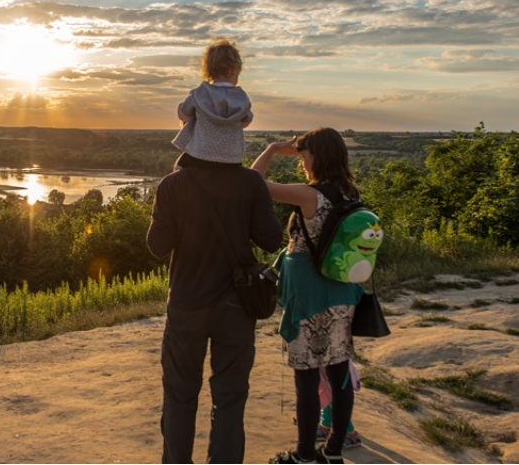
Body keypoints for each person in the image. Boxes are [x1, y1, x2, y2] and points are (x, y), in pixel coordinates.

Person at [147, 139, 283, 463]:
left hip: (187, 303)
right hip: (236, 305)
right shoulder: (250, 182)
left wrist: (172, 200)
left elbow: (157, 245)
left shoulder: (173, 184)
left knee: (179, 395)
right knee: (230, 398)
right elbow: (271, 238)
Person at [250, 128, 365, 465]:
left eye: (304, 154)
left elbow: (253, 185)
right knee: (338, 372)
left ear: (319, 156)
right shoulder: (348, 192)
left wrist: (271, 149)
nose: (301, 161)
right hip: (343, 294)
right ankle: (333, 452)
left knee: (306, 373)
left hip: (311, 299)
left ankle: (303, 456)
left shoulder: (310, 195)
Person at [172, 38, 253, 170]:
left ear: (208, 70)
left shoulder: (200, 94)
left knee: (177, 169)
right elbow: (245, 122)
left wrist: (182, 109)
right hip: (233, 159)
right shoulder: (241, 97)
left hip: (200, 155)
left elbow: (184, 116)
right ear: (236, 70)